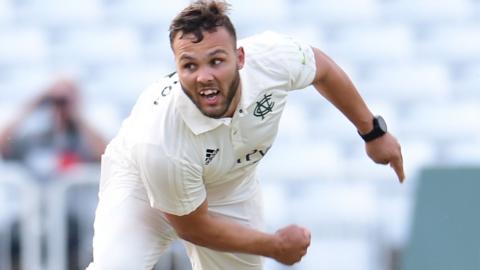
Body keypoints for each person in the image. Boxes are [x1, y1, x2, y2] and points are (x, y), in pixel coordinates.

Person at [87, 1, 405, 269]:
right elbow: (192, 227)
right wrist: (274, 245)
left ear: (240, 58)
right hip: (141, 185)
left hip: (230, 186)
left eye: (216, 61)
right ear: (176, 67)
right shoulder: (159, 138)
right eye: (189, 66)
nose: (204, 77)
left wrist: (372, 132)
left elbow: (320, 69)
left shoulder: (271, 59)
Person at [0, 78, 106, 180]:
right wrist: (32, 105)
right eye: (54, 101)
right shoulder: (34, 139)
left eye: (63, 101)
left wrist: (76, 114)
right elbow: (3, 145)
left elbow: (106, 157)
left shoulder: (86, 141)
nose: (59, 107)